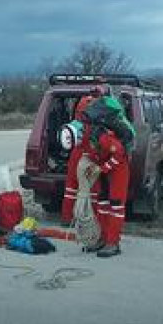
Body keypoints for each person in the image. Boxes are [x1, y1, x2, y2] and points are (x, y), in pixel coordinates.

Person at [89, 125, 130, 258]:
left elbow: (119, 153)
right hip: (105, 175)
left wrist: (103, 168)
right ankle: (103, 238)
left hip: (118, 174)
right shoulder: (89, 135)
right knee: (102, 205)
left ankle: (113, 243)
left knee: (116, 207)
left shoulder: (106, 139)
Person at [61, 94, 99, 226]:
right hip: (89, 155)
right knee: (92, 188)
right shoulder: (96, 124)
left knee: (71, 187)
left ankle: (67, 217)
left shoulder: (74, 123)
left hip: (75, 154)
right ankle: (91, 217)